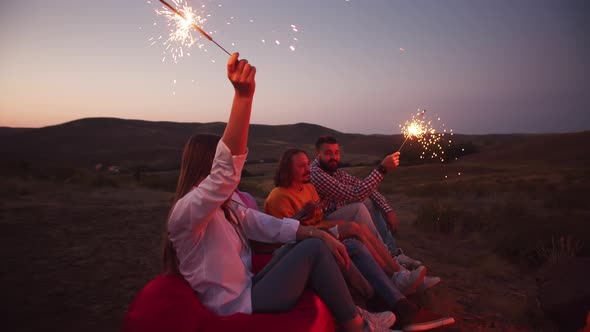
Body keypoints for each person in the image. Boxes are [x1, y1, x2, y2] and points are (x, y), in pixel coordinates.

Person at [163, 53, 395, 332]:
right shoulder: (188, 211)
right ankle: (357, 325)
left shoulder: (228, 203)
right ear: (208, 164)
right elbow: (226, 174)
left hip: (251, 285)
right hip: (238, 304)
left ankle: (362, 304)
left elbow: (259, 222)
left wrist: (316, 231)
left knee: (308, 242)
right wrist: (243, 98)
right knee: (312, 250)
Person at [264, 148, 455, 331]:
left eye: (307, 164)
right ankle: (393, 289)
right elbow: (284, 233)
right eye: (301, 166)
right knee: (353, 236)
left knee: (359, 229)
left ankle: (396, 279)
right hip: (306, 242)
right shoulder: (278, 197)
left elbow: (331, 208)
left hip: (320, 230)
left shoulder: (308, 188)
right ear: (287, 169)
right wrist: (301, 215)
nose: (308, 169)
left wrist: (319, 210)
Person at [310, 136, 438, 292]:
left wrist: (387, 209)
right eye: (328, 153)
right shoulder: (316, 174)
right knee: (358, 207)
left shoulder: (335, 172)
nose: (334, 157)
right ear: (317, 154)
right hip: (322, 223)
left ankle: (394, 256)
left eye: (336, 152)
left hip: (335, 217)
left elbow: (365, 188)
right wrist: (382, 168)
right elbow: (356, 194)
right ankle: (397, 269)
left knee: (369, 202)